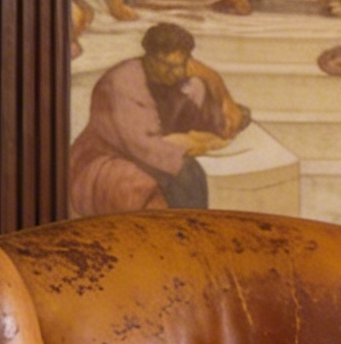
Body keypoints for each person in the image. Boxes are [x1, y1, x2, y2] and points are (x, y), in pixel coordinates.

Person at [68, 20, 247, 215]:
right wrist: (190, 144)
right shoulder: (121, 84)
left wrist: (220, 120)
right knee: (186, 174)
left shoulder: (179, 80)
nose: (177, 73)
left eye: (181, 65)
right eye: (168, 66)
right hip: (108, 161)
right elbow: (142, 144)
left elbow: (198, 116)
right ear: (150, 57)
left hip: (154, 153)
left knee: (187, 173)